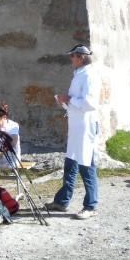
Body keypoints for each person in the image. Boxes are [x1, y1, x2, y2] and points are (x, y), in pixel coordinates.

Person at [47, 44, 101, 220]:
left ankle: (91, 206)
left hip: (86, 126)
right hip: (76, 126)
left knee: (86, 165)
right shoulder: (79, 74)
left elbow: (90, 103)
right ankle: (62, 201)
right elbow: (75, 102)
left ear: (81, 57)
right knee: (70, 163)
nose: (70, 59)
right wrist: (64, 102)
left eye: (72, 56)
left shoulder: (90, 75)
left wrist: (69, 99)